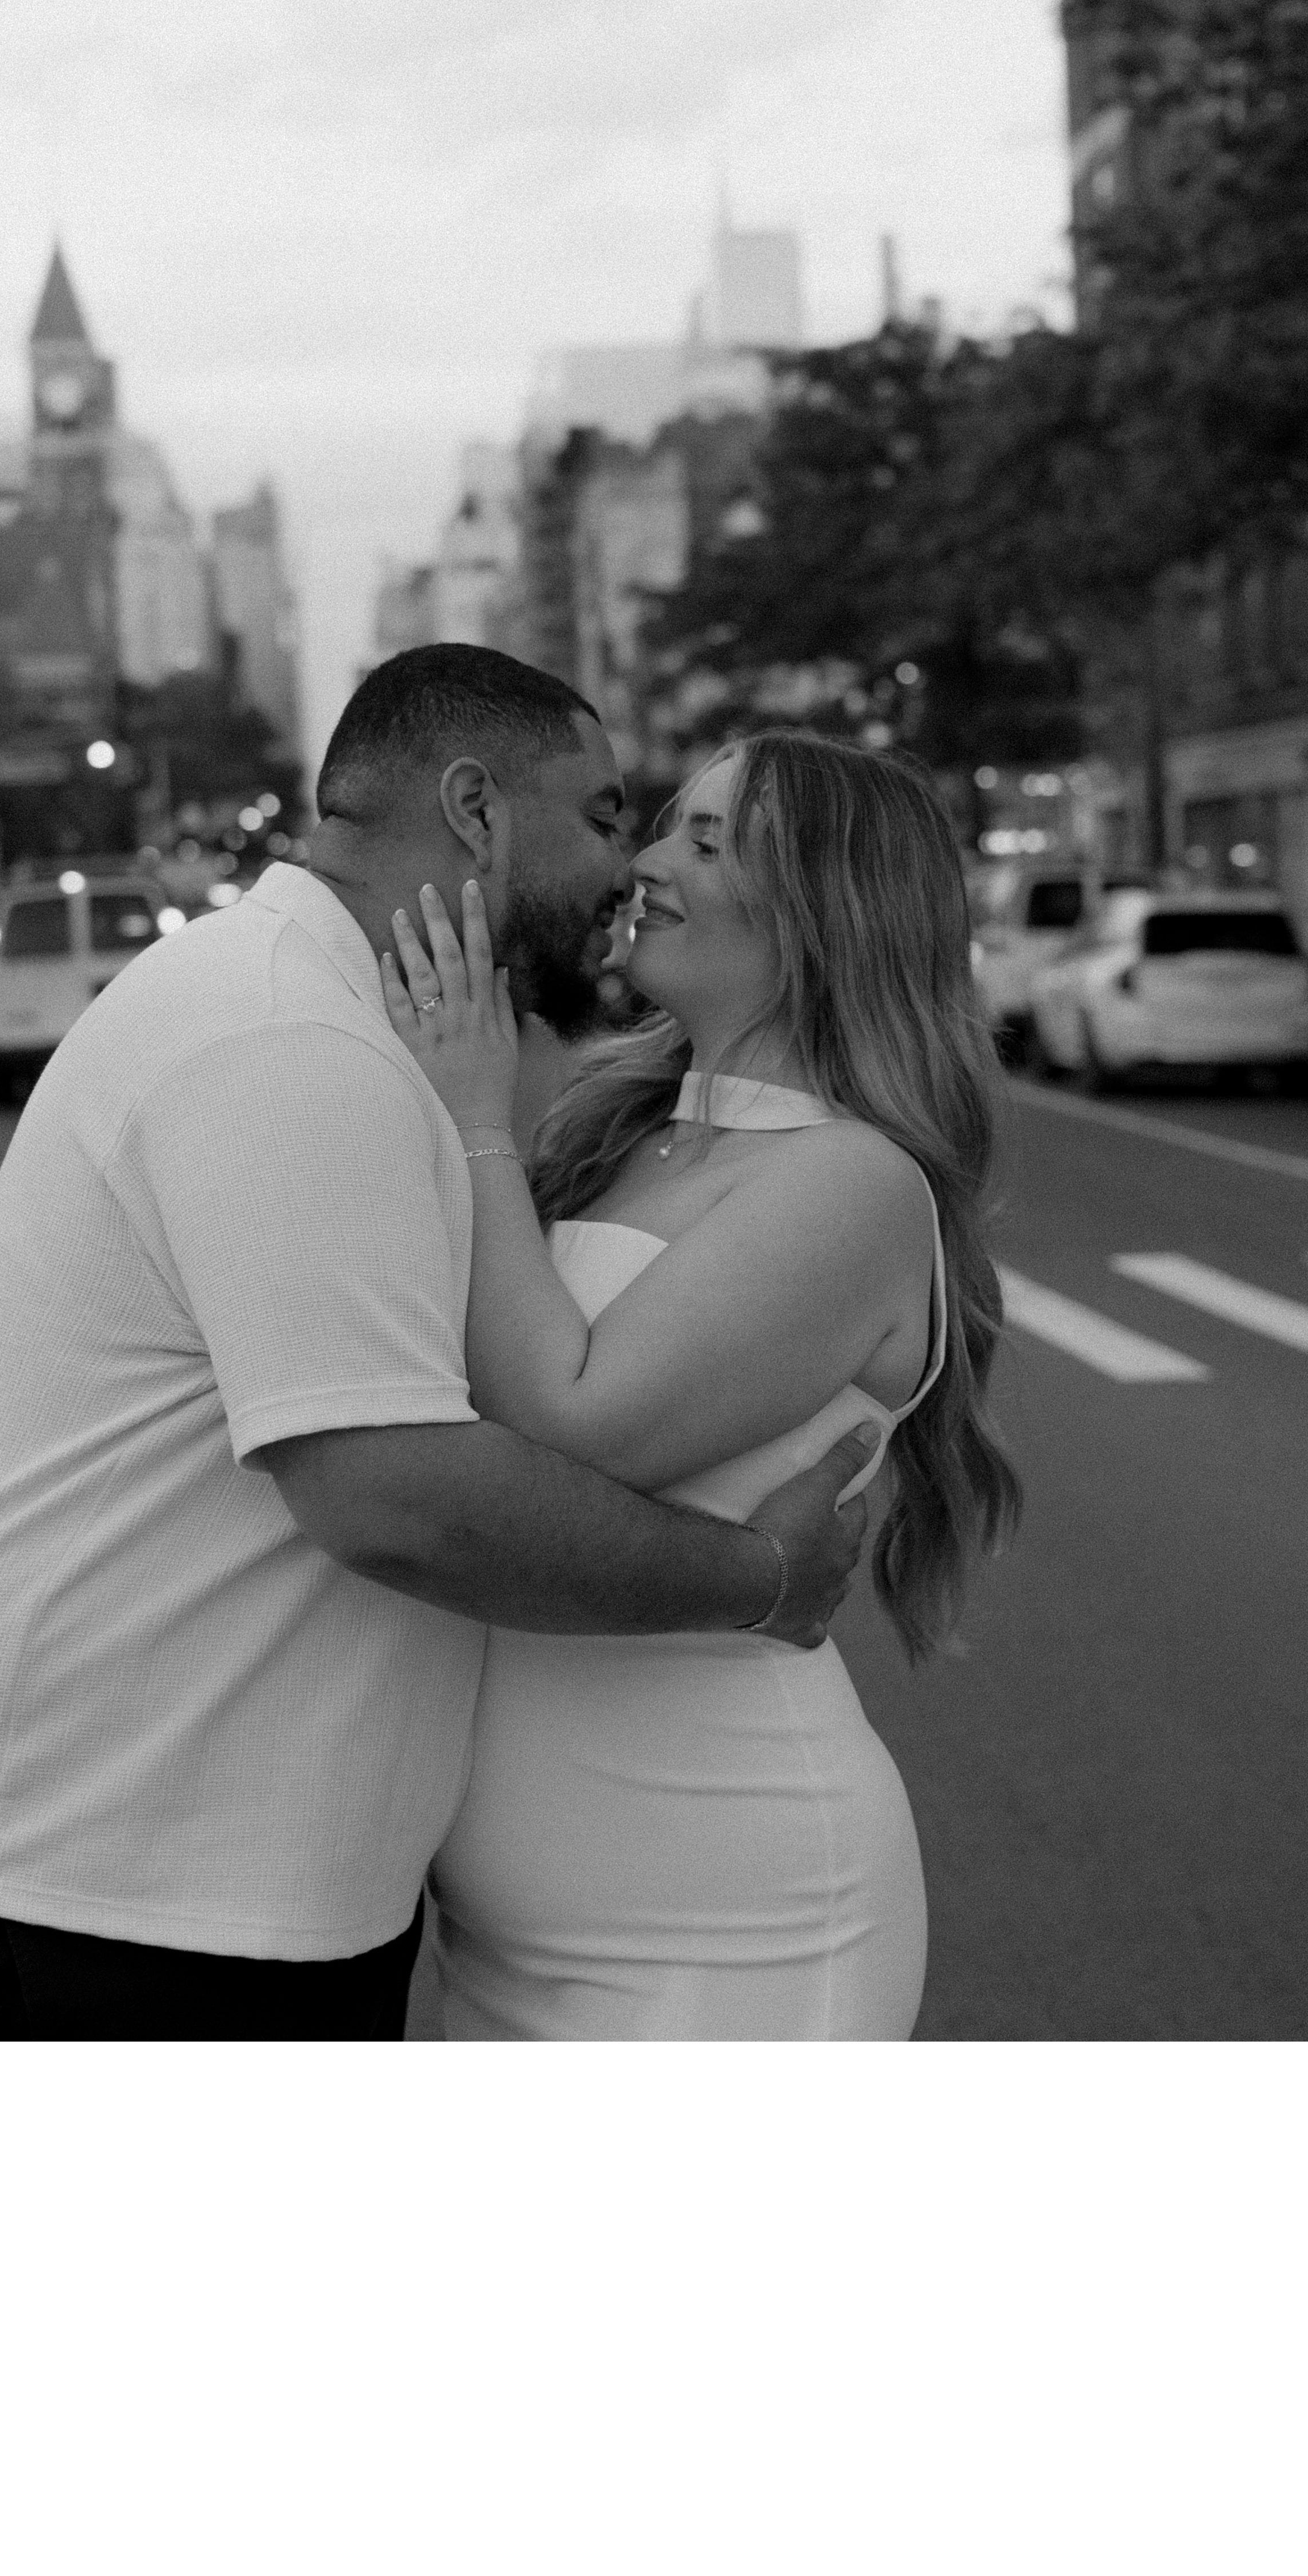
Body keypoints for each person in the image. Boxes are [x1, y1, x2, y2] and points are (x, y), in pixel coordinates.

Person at [0, 644, 880, 2040]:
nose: (630, 867)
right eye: (608, 817)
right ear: (479, 813)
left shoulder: (333, 1018)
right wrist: (759, 1577)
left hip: (164, 1863)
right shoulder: (286, 1037)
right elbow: (392, 1497)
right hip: (84, 1873)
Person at [381, 728, 1018, 2039]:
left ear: (825, 914)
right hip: (504, 1931)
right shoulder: (620, 1133)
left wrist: (475, 1118)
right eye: (668, 824)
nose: (648, 861)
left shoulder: (853, 1182)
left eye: (708, 842)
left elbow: (572, 1426)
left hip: (727, 1920)